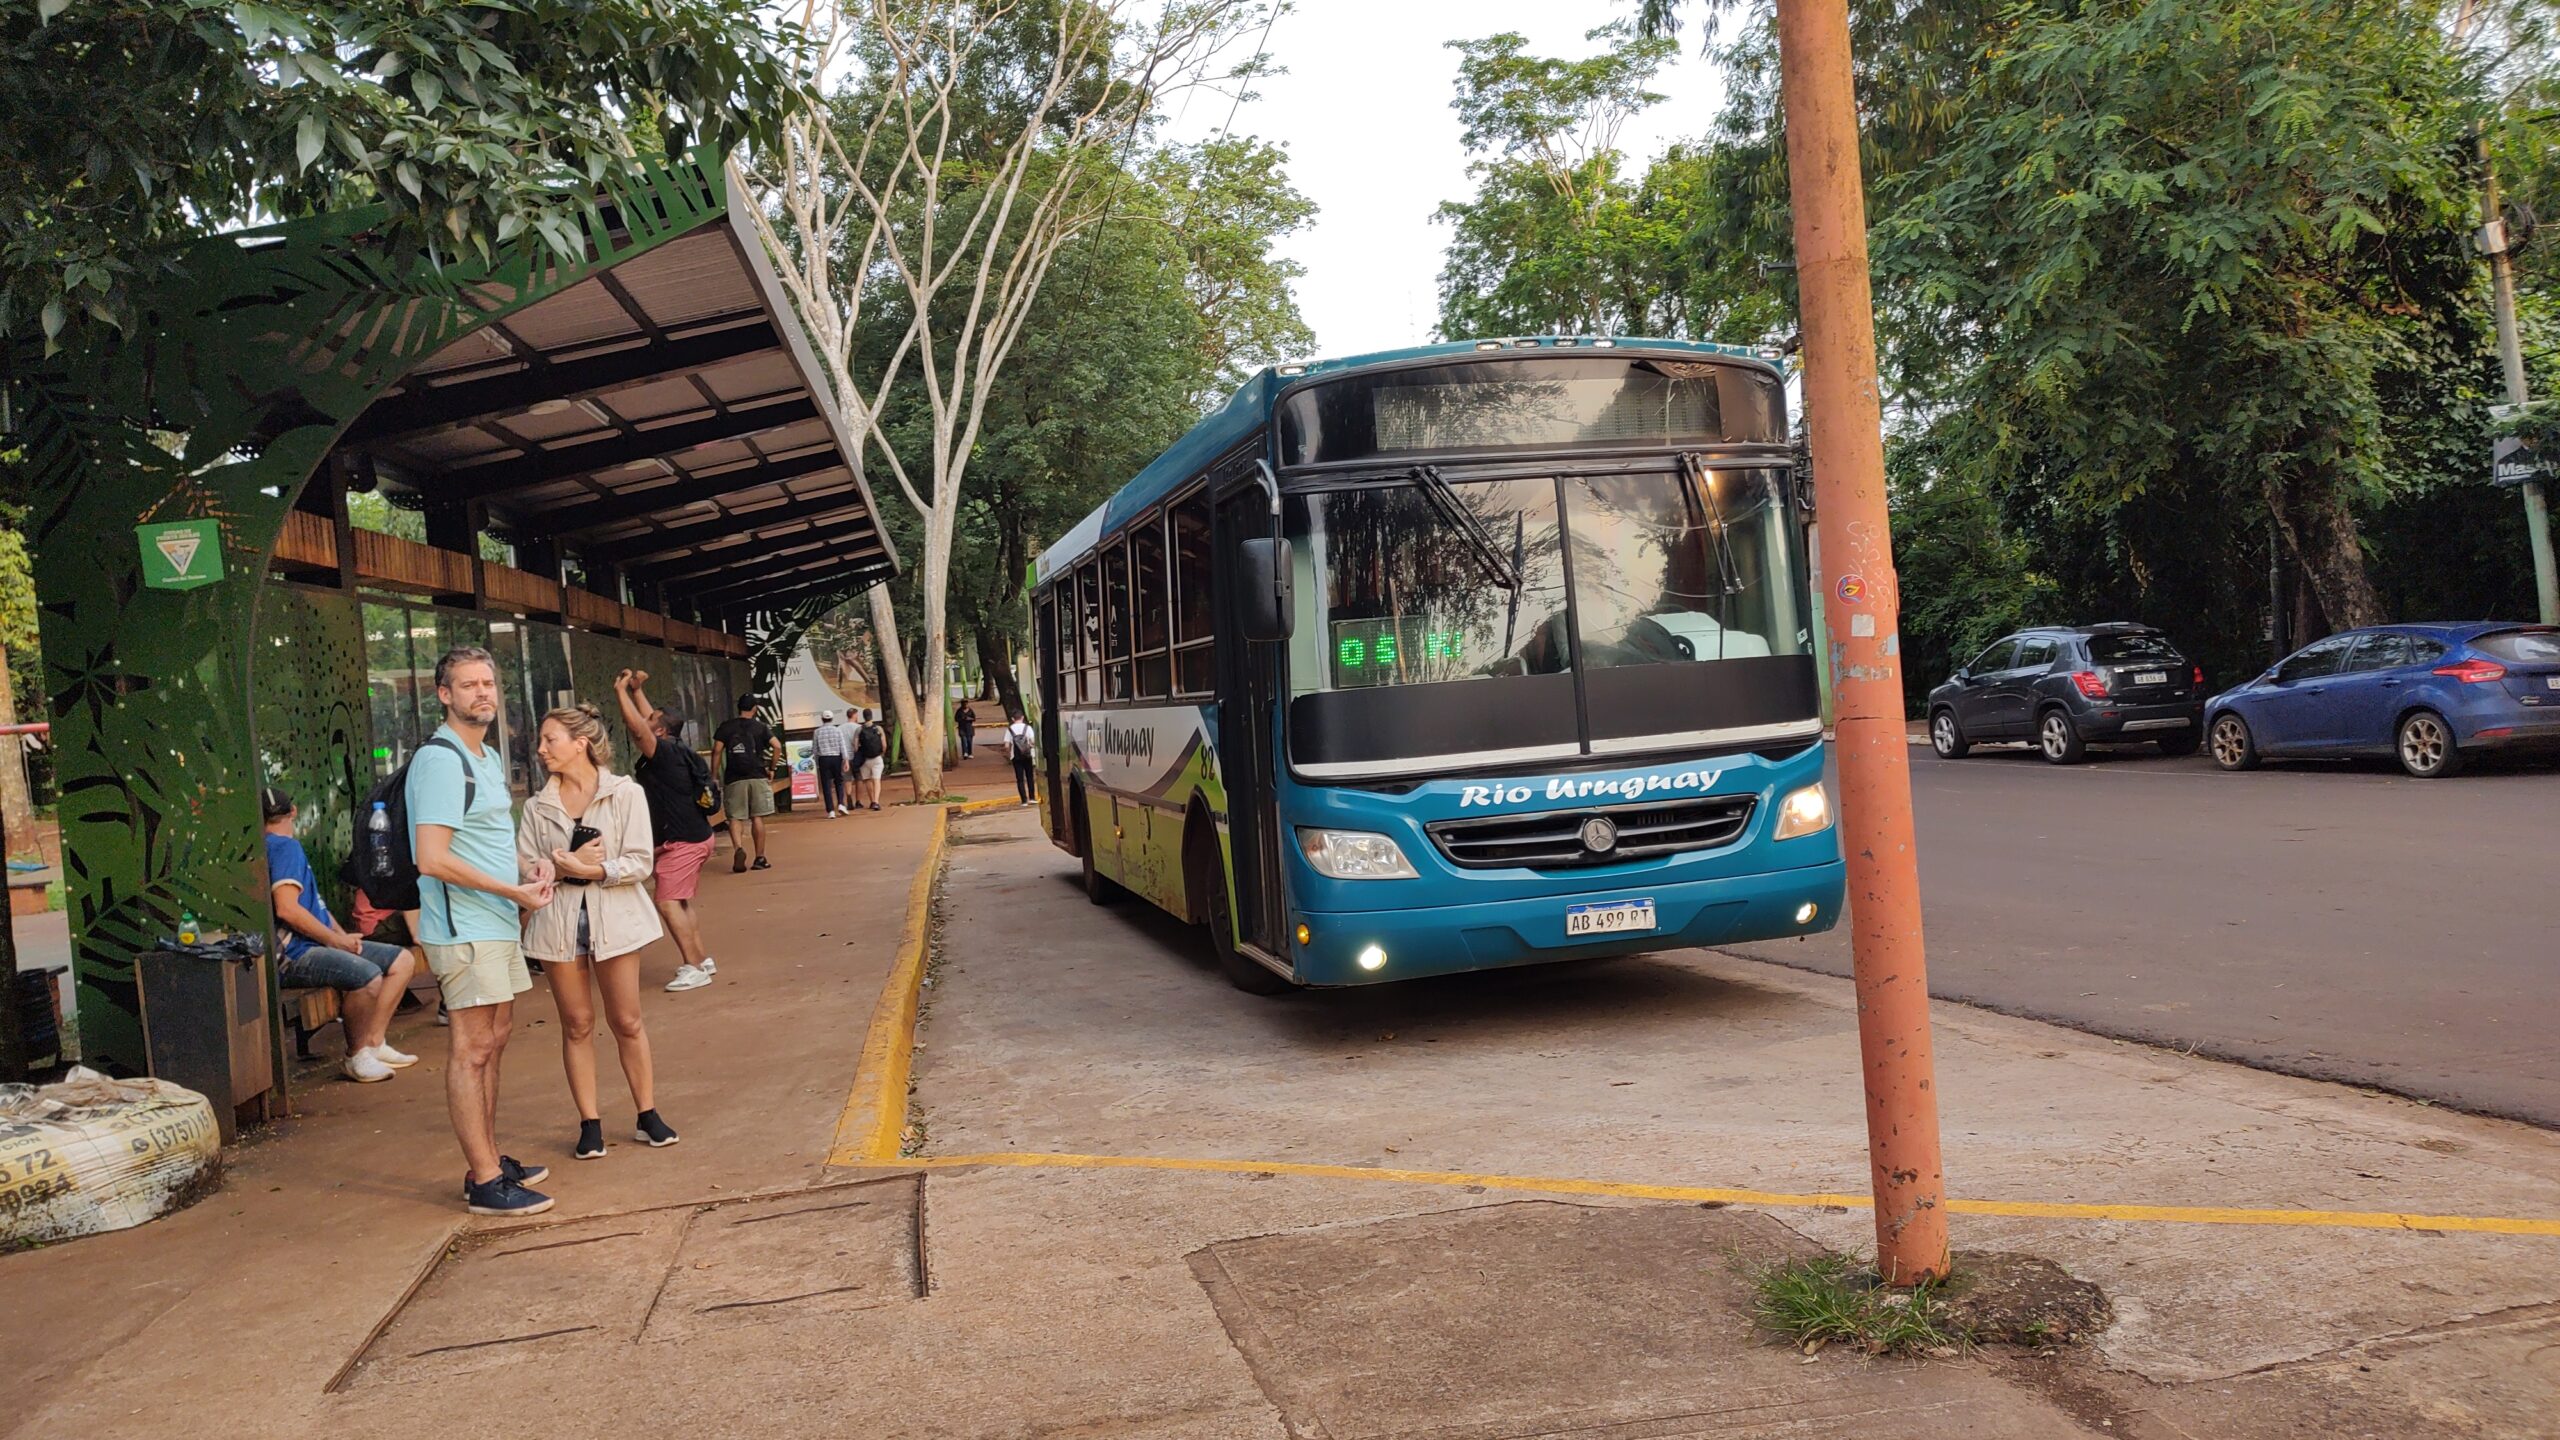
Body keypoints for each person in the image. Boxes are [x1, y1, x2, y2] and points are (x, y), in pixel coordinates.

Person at [410, 646, 557, 1216]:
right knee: (472, 1049)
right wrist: (512, 894)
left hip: (494, 920)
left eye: (488, 683)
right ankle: (484, 1178)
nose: (482, 693)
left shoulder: (486, 755)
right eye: (468, 685)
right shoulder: (442, 760)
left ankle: (492, 1156)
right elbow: (432, 858)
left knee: (495, 1039)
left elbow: (488, 840)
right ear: (445, 695)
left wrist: (528, 869)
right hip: (463, 925)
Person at [519, 704, 680, 1160]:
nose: (541, 749)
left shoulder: (624, 793)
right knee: (576, 1024)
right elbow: (528, 864)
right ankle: (589, 1123)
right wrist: (561, 866)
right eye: (542, 740)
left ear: (580, 743)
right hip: (559, 922)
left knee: (627, 1020)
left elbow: (640, 861)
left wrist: (594, 869)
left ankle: (647, 1113)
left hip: (615, 917)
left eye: (550, 739)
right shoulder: (536, 806)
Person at [262, 787, 422, 1083]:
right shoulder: (284, 847)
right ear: (293, 811)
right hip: (294, 953)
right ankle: (356, 1055)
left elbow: (315, 906)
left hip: (314, 943)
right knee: (367, 976)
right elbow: (287, 909)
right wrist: (335, 940)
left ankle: (374, 1043)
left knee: (402, 961)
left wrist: (342, 936)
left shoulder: (276, 846)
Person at [613, 671, 721, 993]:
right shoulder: (677, 748)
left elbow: (637, 726)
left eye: (652, 719)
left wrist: (620, 690)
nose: (645, 719)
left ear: (659, 731)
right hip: (694, 835)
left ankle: (694, 966)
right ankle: (701, 959)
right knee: (681, 901)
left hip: (682, 841)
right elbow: (647, 719)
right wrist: (637, 689)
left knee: (668, 902)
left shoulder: (663, 753)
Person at [712, 695, 780, 872]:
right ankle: (760, 858)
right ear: (755, 709)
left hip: (734, 778)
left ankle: (739, 848)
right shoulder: (761, 727)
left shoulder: (726, 727)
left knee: (735, 817)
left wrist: (714, 775)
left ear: (738, 707)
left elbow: (717, 751)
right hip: (757, 775)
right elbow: (777, 746)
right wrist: (772, 768)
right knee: (757, 816)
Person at [810, 708, 852, 817]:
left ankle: (830, 811)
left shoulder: (817, 732)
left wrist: (816, 762)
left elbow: (814, 749)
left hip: (824, 758)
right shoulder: (837, 730)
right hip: (836, 758)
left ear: (822, 719)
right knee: (839, 781)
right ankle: (841, 804)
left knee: (826, 784)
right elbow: (842, 745)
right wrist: (846, 759)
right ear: (832, 719)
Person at [853, 708, 888, 811]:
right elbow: (884, 745)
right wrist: (881, 753)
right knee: (876, 780)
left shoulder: (859, 730)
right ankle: (877, 802)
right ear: (872, 716)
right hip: (877, 758)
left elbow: (855, 747)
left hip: (865, 759)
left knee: (867, 780)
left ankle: (872, 801)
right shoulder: (878, 728)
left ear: (863, 717)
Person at [1005, 708, 1039, 805]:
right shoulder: (1028, 728)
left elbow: (1006, 745)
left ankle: (1024, 800)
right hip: (1027, 755)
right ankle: (1032, 798)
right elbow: (1033, 741)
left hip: (1016, 757)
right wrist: (1030, 746)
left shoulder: (1010, 729)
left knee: (1020, 779)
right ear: (1023, 717)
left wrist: (1009, 754)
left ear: (1012, 719)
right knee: (1030, 777)